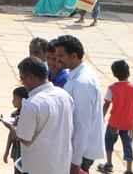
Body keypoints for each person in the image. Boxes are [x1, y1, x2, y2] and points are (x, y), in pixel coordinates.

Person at [11, 56, 74, 174]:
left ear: (31, 77)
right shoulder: (64, 95)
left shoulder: (32, 104)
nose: (22, 82)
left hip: (39, 168)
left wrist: (13, 128)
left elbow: (24, 138)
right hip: (61, 165)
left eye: (22, 78)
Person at [53, 34, 106, 173]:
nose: (57, 59)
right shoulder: (75, 74)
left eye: (61, 56)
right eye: (56, 55)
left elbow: (82, 125)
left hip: (81, 153)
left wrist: (75, 162)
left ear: (74, 56)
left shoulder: (82, 83)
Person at [101, 58, 133, 174]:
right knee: (128, 145)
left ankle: (109, 164)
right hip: (128, 124)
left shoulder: (112, 88)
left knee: (109, 142)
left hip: (114, 123)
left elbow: (106, 104)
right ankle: (129, 169)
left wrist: (101, 117)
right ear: (128, 72)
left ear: (114, 74)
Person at [1, 86, 28, 172]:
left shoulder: (27, 115)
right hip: (16, 150)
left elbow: (17, 134)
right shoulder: (14, 114)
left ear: (23, 100)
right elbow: (11, 135)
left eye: (15, 98)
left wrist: (10, 127)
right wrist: (7, 151)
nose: (12, 101)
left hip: (24, 152)